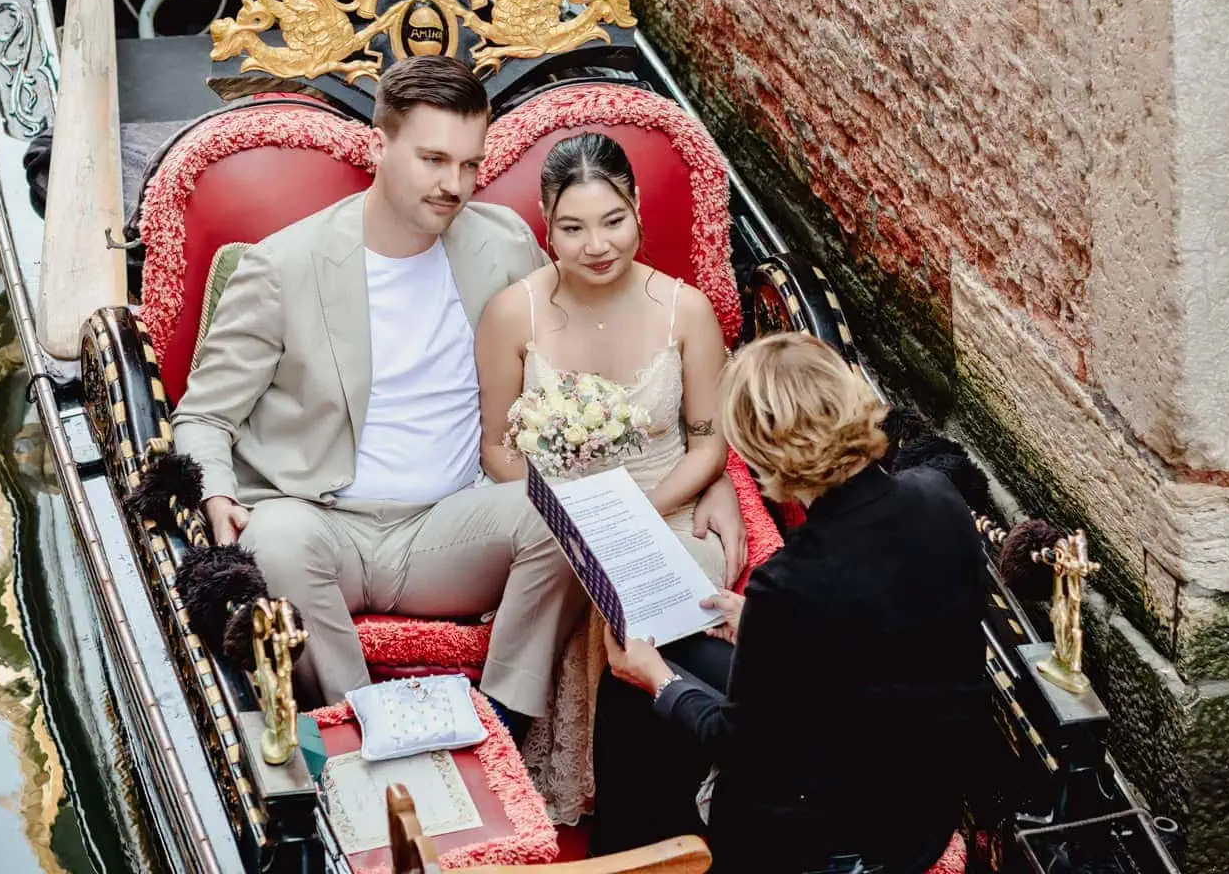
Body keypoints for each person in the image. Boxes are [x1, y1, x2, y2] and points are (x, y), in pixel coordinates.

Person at [169, 56, 572, 729]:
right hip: (321, 520)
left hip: (447, 525)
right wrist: (214, 490)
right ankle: (357, 733)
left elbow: (567, 354)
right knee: (276, 541)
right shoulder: (284, 266)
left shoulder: (501, 244)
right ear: (379, 145)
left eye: (471, 165)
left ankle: (504, 724)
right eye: (434, 159)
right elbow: (205, 414)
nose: (454, 185)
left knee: (560, 520)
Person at [601, 333, 990, 874]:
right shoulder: (937, 495)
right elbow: (883, 628)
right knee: (681, 645)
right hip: (924, 797)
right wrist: (758, 625)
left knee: (641, 686)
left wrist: (657, 681)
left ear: (763, 455)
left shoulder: (789, 583)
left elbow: (744, 749)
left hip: (833, 836)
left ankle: (645, 849)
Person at [473, 131, 746, 820]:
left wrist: (642, 510)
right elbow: (499, 449)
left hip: (668, 507)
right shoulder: (514, 312)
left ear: (638, 212)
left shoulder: (685, 311)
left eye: (613, 221)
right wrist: (568, 520)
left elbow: (708, 443)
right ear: (546, 223)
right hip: (547, 513)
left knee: (647, 590)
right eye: (573, 228)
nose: (597, 245)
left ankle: (682, 792)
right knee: (572, 566)